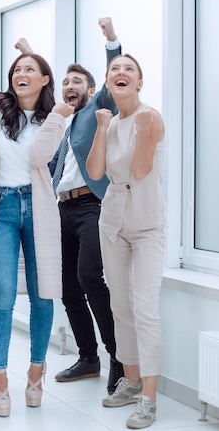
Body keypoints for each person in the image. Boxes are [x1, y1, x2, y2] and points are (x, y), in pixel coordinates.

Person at [19, 18, 124, 394]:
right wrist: (28, 53)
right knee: (64, 285)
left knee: (90, 277)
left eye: (77, 81)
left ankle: (120, 360)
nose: (69, 86)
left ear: (92, 90)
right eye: (65, 82)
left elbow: (115, 80)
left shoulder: (96, 111)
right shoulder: (58, 119)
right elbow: (40, 81)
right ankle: (88, 357)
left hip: (92, 206)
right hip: (58, 209)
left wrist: (112, 41)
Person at [0, 52, 70, 417]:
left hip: (39, 208)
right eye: (16, 69)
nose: (20, 74)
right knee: (2, 296)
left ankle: (36, 371)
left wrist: (57, 117)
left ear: (45, 79)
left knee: (43, 295)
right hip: (3, 208)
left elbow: (40, 156)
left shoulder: (53, 117)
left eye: (30, 69)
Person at [87, 54, 166, 429]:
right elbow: (96, 171)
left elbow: (139, 170)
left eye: (129, 70)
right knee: (119, 304)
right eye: (114, 69)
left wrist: (140, 128)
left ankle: (149, 398)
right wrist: (103, 127)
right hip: (112, 219)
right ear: (107, 83)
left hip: (148, 222)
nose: (121, 73)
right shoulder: (109, 121)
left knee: (144, 307)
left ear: (140, 83)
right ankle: (131, 381)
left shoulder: (150, 117)